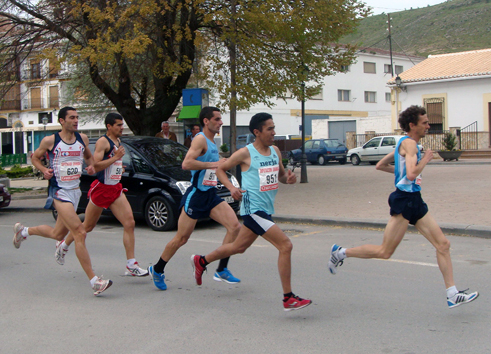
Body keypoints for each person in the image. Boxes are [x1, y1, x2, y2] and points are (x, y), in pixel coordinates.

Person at [328, 105, 479, 309]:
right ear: (412, 125)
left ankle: (452, 294)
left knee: (443, 245)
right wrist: (424, 160)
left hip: (414, 199)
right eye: (424, 123)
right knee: (385, 251)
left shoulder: (404, 143)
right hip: (405, 201)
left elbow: (380, 165)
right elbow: (410, 174)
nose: (428, 125)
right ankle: (340, 252)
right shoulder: (409, 144)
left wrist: (403, 172)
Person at [191, 112, 312, 312]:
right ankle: (288, 297)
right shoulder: (245, 153)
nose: (274, 132)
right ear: (257, 132)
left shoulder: (275, 151)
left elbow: (281, 176)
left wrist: (288, 179)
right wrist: (231, 188)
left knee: (238, 247)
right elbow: (221, 169)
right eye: (270, 129)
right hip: (253, 210)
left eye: (274, 128)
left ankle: (201, 260)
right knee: (286, 245)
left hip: (266, 209)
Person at [12, 107, 113, 296]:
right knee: (80, 232)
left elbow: (89, 158)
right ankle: (94, 281)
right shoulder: (51, 141)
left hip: (75, 192)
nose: (76, 121)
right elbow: (35, 157)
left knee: (57, 233)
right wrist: (43, 169)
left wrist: (91, 167)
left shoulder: (82, 139)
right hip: (60, 192)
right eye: (72, 118)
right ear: (62, 121)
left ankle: (24, 231)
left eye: (77, 117)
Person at [148, 106, 241, 290]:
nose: (221, 122)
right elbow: (186, 163)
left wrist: (230, 187)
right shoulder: (200, 139)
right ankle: (157, 269)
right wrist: (213, 163)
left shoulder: (213, 143)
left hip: (211, 195)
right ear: (206, 121)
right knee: (181, 239)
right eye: (217, 119)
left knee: (235, 226)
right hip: (196, 195)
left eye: (221, 119)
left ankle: (221, 269)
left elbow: (216, 170)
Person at [54, 113, 149, 278]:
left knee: (130, 223)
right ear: (109, 126)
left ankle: (131, 264)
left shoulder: (118, 141)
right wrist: (116, 158)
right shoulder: (102, 142)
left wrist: (119, 167)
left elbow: (111, 164)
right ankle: (63, 244)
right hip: (102, 189)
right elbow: (96, 166)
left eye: (122, 124)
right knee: (87, 227)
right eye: (118, 125)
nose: (121, 128)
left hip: (115, 188)